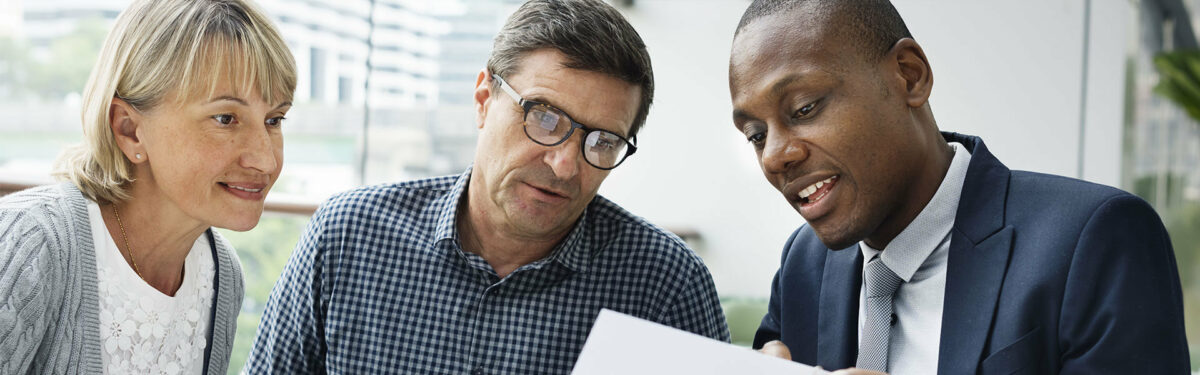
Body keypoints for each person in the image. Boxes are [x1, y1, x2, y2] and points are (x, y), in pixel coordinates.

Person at [244, 0, 729, 373]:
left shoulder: (666, 284)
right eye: (545, 116)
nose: (564, 165)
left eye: (602, 141)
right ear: (483, 99)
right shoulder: (347, 235)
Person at [728, 0, 1189, 374]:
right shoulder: (804, 264)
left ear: (909, 75)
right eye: (756, 135)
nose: (773, 157)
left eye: (804, 108)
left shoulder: (1095, 242)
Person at [0, 0, 296, 373]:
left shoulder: (222, 275)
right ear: (130, 130)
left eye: (274, 119)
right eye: (225, 118)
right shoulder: (30, 244)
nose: (265, 160)